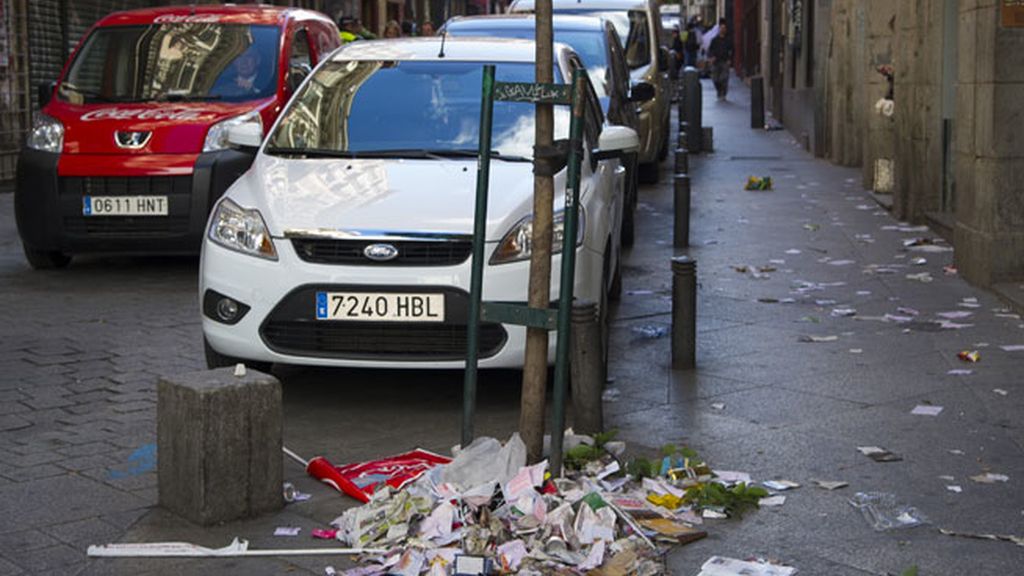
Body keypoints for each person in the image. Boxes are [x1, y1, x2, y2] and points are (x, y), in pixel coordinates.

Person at [708, 18, 732, 100]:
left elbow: (731, 50)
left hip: (724, 61)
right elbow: (710, 50)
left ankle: (723, 93)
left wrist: (729, 59)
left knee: (724, 78)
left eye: (724, 28)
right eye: (721, 28)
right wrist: (711, 57)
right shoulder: (714, 40)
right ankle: (719, 91)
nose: (723, 30)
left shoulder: (728, 40)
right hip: (716, 61)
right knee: (715, 79)